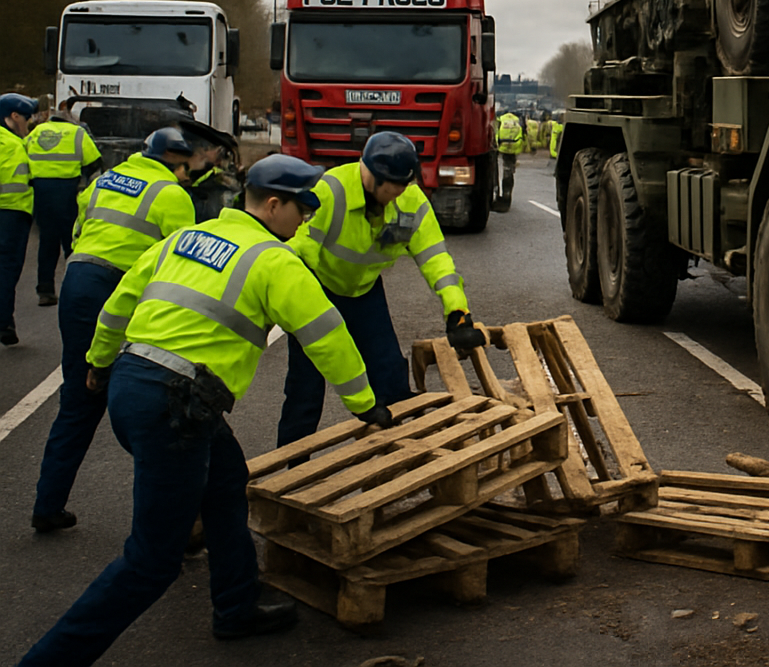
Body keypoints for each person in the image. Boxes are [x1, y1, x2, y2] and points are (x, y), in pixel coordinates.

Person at [16, 154, 391, 666]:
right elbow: (326, 336)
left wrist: (99, 362)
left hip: (134, 384)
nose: (306, 220)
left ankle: (236, 606)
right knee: (151, 561)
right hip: (177, 406)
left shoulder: (185, 238)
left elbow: (121, 302)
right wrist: (366, 406)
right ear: (273, 204)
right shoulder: (274, 260)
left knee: (226, 480)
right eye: (302, 209)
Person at [30, 127, 199, 532]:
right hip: (121, 291)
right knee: (151, 403)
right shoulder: (171, 194)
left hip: (77, 283)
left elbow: (77, 231)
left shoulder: (106, 179)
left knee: (78, 398)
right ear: (175, 163)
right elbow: (180, 259)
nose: (187, 176)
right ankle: (175, 521)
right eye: (185, 168)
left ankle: (47, 505)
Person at [276, 130, 482, 447]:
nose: (397, 195)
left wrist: (457, 311)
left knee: (389, 376)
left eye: (404, 185)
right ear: (371, 175)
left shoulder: (410, 202)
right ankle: (290, 467)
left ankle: (396, 455)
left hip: (365, 293)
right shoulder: (331, 191)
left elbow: (436, 259)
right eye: (391, 187)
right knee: (306, 387)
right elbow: (300, 250)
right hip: (318, 292)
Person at [26, 99, 103, 306]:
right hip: (68, 194)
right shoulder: (78, 133)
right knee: (72, 243)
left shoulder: (37, 132)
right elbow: (94, 163)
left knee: (47, 243)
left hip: (41, 194)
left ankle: (45, 290)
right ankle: (75, 289)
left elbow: (23, 158)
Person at [0, 92, 40, 346]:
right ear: (14, 117)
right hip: (11, 215)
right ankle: (4, 323)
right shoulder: (12, 145)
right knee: (6, 269)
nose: (28, 124)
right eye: (26, 118)